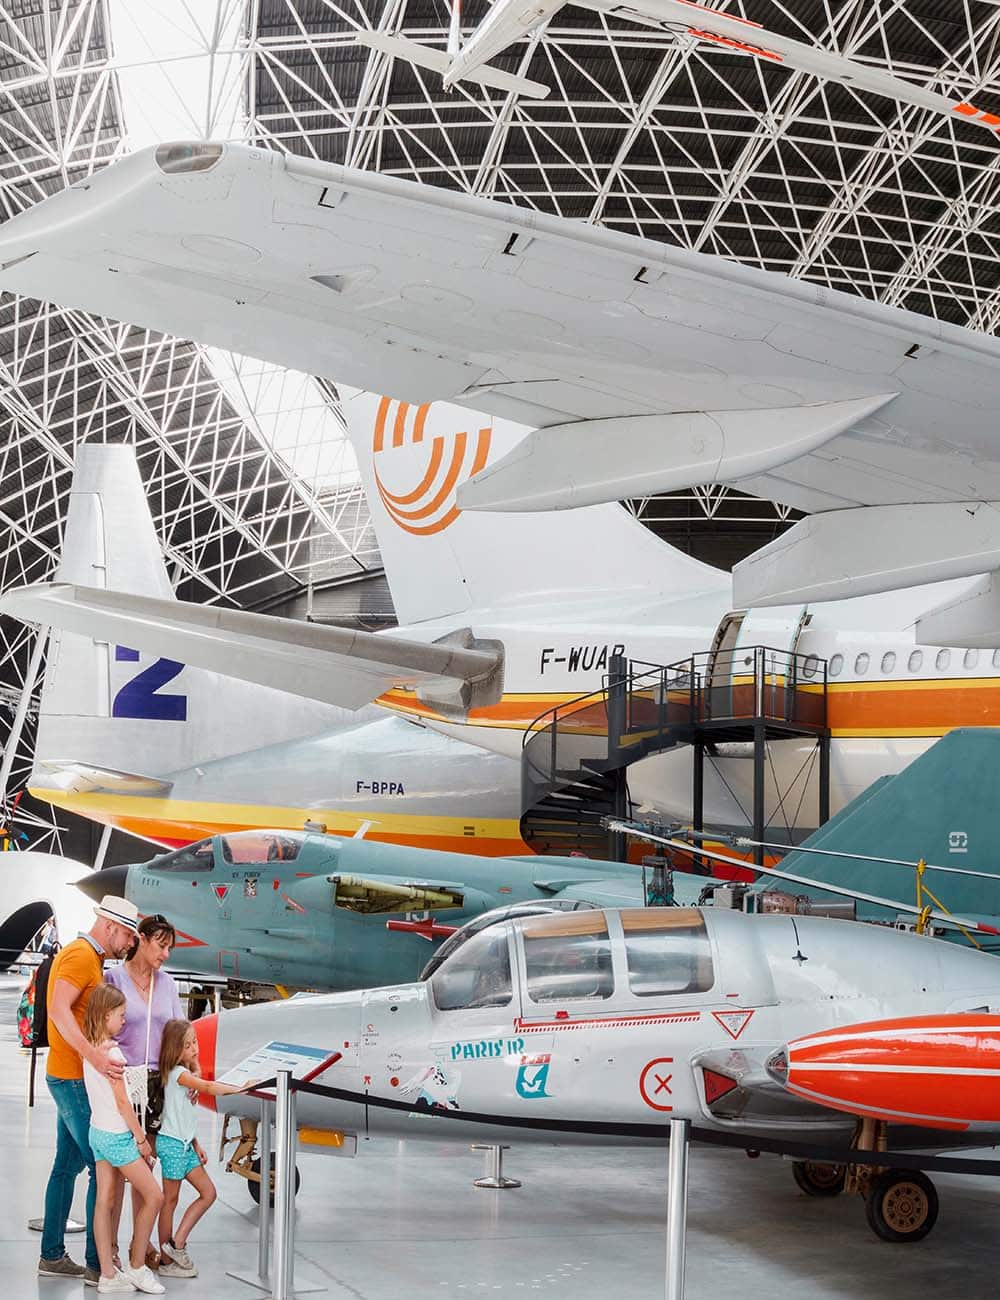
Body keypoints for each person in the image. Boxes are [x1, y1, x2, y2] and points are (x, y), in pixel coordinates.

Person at [39, 894, 139, 1286]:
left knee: (65, 1167)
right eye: (129, 935)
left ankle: (52, 1255)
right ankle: (98, 1265)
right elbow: (58, 1010)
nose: (130, 943)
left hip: (67, 1074)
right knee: (104, 1168)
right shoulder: (81, 957)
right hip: (72, 1077)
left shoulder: (89, 958)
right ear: (110, 926)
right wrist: (94, 1058)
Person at [105, 915, 182, 1269]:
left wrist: (188, 1077)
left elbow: (180, 1033)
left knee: (145, 1165)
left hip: (155, 1084)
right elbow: (101, 1030)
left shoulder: (167, 985)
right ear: (142, 939)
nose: (165, 954)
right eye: (160, 945)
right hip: (122, 1081)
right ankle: (111, 1249)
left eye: (169, 948)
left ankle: (143, 1242)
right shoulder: (113, 978)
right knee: (119, 1170)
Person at [81, 984, 164, 1295]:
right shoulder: (112, 1053)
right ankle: (137, 1265)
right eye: (121, 1015)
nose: (124, 1020)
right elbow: (122, 1103)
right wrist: (141, 1140)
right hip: (117, 1137)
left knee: (105, 1202)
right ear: (106, 1016)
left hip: (97, 1133)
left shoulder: (90, 1049)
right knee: (154, 1196)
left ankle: (107, 1274)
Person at [155, 1018, 245, 1278]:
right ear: (175, 1049)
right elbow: (207, 1087)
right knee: (169, 1201)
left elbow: (181, 1114)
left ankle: (176, 1244)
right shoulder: (177, 1075)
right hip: (172, 1144)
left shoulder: (186, 1073)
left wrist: (195, 1143)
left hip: (185, 1145)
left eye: (195, 1042)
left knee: (208, 1193)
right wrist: (240, 1089)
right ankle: (166, 1259)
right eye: (187, 1045)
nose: (195, 1048)